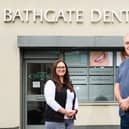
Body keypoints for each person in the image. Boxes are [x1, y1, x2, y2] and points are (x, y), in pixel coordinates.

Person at [44, 59, 78, 129]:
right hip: (55, 120)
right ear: (55, 69)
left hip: (69, 120)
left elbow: (75, 98)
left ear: (66, 69)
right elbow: (50, 101)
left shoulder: (69, 84)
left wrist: (75, 110)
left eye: (63, 67)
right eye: (59, 67)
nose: (61, 69)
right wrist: (65, 112)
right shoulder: (50, 83)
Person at [114, 33, 129, 129]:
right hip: (124, 113)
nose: (128, 46)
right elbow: (116, 86)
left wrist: (127, 101)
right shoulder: (122, 65)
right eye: (127, 43)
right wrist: (121, 101)